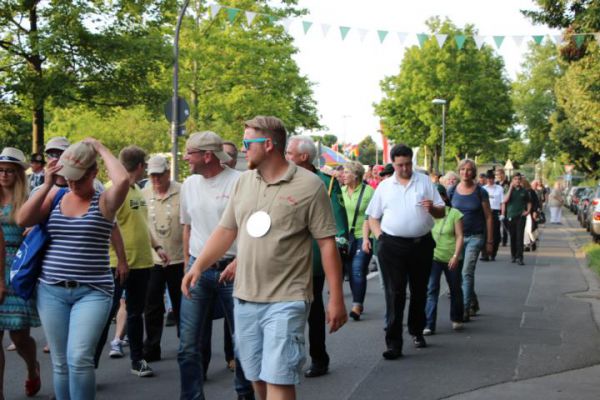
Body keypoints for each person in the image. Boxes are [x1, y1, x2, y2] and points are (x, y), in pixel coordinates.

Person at [181, 116, 347, 400]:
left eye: (248, 143)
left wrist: (336, 298)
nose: (243, 149)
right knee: (257, 378)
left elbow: (327, 244)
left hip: (287, 298)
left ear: (268, 144)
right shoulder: (244, 183)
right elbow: (225, 230)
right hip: (245, 298)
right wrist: (197, 266)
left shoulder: (310, 185)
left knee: (279, 380)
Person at [16, 139, 130, 400]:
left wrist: (101, 147)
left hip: (92, 291)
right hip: (51, 290)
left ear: (93, 173)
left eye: (78, 178)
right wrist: (46, 185)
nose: (72, 183)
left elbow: (122, 181)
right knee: (60, 361)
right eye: (67, 177)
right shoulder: (56, 196)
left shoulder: (105, 202)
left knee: (79, 358)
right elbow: (24, 219)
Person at [177, 131, 254, 400]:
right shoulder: (189, 184)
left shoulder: (240, 182)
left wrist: (239, 260)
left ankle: (245, 393)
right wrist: (188, 265)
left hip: (233, 270)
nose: (185, 157)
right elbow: (188, 227)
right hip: (198, 268)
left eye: (190, 152)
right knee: (188, 345)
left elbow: (252, 228)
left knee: (242, 341)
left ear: (207, 155)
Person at [366, 144, 445, 359]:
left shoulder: (424, 182)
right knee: (395, 293)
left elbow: (441, 211)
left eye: (408, 164)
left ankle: (417, 330)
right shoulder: (385, 186)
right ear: (393, 163)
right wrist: (380, 237)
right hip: (392, 245)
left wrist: (433, 208)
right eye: (400, 165)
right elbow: (372, 216)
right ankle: (393, 342)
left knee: (419, 291)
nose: (404, 168)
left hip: (421, 244)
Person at [96, 145, 169, 378]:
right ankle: (89, 366)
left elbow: (141, 223)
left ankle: (138, 360)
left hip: (142, 263)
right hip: (116, 264)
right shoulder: (112, 190)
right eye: (145, 165)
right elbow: (107, 228)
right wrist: (121, 260)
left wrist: (156, 246)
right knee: (103, 317)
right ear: (140, 166)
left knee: (136, 314)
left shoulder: (138, 190)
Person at [285, 135, 348, 378]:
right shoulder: (283, 178)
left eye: (290, 153)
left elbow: (336, 216)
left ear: (304, 157)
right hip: (286, 254)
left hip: (311, 254)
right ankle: (289, 358)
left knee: (312, 309)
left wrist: (340, 239)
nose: (286, 157)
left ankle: (319, 358)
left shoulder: (325, 182)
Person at [0, 147, 41, 398]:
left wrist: (34, 227)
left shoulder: (26, 199)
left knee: (19, 334)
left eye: (9, 171)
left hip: (18, 267)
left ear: (19, 174)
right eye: (1, 170)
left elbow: (41, 226)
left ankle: (32, 368)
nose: (4, 175)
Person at [141, 156, 184, 362]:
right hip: (153, 260)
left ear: (168, 173)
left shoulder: (182, 191)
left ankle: (185, 344)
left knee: (181, 305)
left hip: (179, 258)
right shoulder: (143, 193)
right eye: (152, 175)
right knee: (152, 305)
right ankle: (152, 346)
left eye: (160, 174)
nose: (156, 179)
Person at [448, 159, 493, 320]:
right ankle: (473, 302)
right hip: (457, 238)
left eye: (468, 170)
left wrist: (489, 241)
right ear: (459, 171)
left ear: (473, 172)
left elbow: (488, 217)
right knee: (458, 274)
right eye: (462, 169)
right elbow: (447, 214)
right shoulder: (452, 191)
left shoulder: (480, 192)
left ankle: (465, 309)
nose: (465, 172)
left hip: (475, 236)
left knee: (467, 272)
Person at [424, 184, 465, 335]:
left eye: (438, 196)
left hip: (452, 257)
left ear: (445, 197)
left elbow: (460, 236)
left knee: (455, 288)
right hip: (433, 256)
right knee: (431, 289)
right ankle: (429, 324)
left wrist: (455, 255)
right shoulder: (426, 213)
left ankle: (457, 318)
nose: (436, 199)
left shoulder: (454, 213)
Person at [341, 161, 374, 321]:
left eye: (346, 172)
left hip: (364, 235)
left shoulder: (369, 192)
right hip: (345, 238)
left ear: (355, 175)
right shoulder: (340, 191)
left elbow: (372, 216)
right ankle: (358, 301)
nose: (343, 175)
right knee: (350, 271)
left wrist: (368, 238)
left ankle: (357, 304)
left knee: (357, 269)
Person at [502, 172, 532, 265]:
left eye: (519, 179)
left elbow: (529, 202)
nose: (517, 181)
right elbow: (505, 200)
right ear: (512, 181)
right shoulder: (508, 189)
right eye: (515, 179)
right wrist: (511, 188)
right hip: (511, 216)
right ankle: (513, 255)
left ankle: (520, 257)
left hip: (521, 217)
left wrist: (528, 211)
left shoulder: (524, 191)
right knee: (513, 237)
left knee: (520, 237)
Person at [481, 170, 504, 261]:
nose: (490, 180)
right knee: (484, 233)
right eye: (488, 178)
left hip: (495, 212)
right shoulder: (483, 189)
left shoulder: (499, 188)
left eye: (491, 178)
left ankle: (493, 253)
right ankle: (484, 254)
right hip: (485, 212)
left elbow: (502, 202)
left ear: (494, 179)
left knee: (496, 234)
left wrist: (502, 213)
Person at [495, 168, 511, 247]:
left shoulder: (507, 184)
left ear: (504, 175)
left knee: (505, 224)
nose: (499, 176)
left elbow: (507, 194)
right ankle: (497, 239)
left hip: (506, 206)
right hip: (497, 206)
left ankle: (504, 240)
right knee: (497, 225)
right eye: (497, 175)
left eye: (500, 174)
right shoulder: (495, 184)